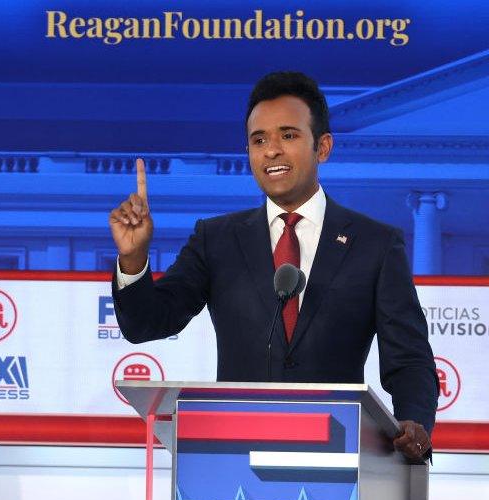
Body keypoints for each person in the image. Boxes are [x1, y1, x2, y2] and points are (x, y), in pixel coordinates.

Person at [109, 71, 437, 462]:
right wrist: (133, 258)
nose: (271, 151)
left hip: (339, 459)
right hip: (234, 463)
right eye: (258, 139)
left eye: (289, 135)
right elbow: (147, 323)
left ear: (323, 147)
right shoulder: (217, 239)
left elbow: (410, 358)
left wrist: (413, 421)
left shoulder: (375, 245)